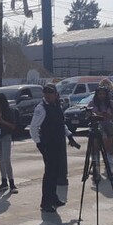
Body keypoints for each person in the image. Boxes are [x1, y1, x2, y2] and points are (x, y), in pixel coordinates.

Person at [30, 83, 81, 213]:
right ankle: (46, 202)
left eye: (50, 92)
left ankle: (53, 197)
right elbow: (34, 127)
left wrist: (70, 136)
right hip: (48, 144)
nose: (48, 95)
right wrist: (39, 143)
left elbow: (61, 124)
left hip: (58, 142)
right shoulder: (41, 108)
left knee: (56, 172)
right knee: (50, 174)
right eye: (46, 93)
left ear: (55, 94)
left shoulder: (57, 106)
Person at [88, 87, 113, 177]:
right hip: (96, 127)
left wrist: (108, 115)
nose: (102, 96)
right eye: (100, 94)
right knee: (95, 148)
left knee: (109, 147)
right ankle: (95, 168)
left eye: (103, 94)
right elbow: (88, 115)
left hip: (108, 126)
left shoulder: (110, 103)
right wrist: (97, 115)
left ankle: (110, 167)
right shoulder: (92, 103)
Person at [0, 93, 17, 193]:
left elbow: (13, 126)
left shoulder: (9, 111)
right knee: (0, 159)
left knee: (6, 159)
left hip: (6, 135)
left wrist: (2, 121)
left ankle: (12, 183)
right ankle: (3, 182)